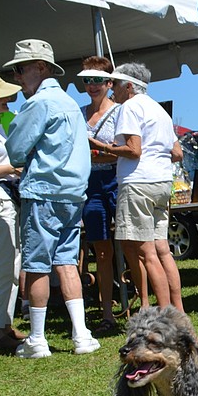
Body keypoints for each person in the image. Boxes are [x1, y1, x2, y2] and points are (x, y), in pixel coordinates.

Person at [3, 39, 100, 357]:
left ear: (40, 67)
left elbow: (15, 150)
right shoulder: (71, 103)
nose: (18, 76)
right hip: (73, 195)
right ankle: (82, 335)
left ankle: (37, 339)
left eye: (20, 69)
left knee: (37, 266)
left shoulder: (39, 103)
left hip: (43, 192)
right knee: (68, 264)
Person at [110, 62, 184, 311]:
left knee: (146, 253)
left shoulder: (130, 107)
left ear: (129, 86)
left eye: (115, 85)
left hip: (138, 183)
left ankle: (163, 314)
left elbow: (133, 150)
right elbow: (177, 152)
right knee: (162, 250)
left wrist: (102, 147)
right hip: (161, 182)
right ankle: (177, 310)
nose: (112, 90)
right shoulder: (159, 109)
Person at [78, 56, 120, 332]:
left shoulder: (120, 112)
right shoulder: (79, 113)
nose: (92, 86)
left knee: (133, 246)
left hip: (117, 179)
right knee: (101, 250)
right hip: (89, 183)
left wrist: (98, 150)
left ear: (109, 82)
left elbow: (124, 149)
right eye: (87, 80)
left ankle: (141, 305)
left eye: (97, 80)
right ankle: (107, 313)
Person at [0, 73, 25, 354]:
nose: (7, 100)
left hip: (4, 198)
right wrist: (14, 168)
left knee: (10, 266)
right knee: (4, 267)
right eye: (1, 96)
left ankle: (2, 324)